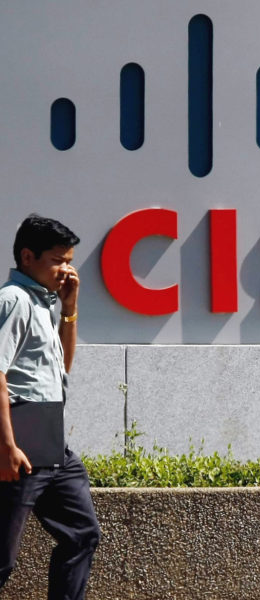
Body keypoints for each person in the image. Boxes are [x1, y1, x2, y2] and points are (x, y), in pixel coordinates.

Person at [0, 214, 100, 599]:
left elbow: (63, 369)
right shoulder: (14, 301)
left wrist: (69, 309)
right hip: (20, 446)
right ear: (28, 257)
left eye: (69, 260)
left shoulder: (44, 302)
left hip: (51, 444)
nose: (66, 270)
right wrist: (6, 447)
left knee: (82, 534)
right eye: (57, 260)